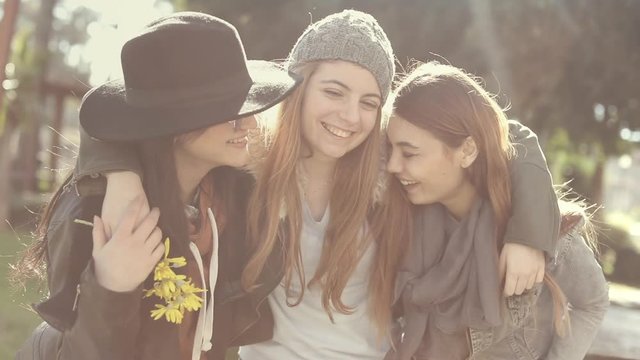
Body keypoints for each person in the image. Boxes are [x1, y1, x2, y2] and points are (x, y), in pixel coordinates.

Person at [62, 10, 559, 359]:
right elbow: (124, 111)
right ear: (298, 86)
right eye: (334, 91)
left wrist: (528, 233)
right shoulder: (250, 159)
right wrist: (120, 177)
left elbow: (506, 135)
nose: (351, 116)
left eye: (370, 102)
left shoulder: (389, 170)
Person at [13, 12, 300, 360]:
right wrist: (111, 285)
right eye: (231, 111)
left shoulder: (230, 199)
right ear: (175, 124)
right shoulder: (96, 215)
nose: (250, 124)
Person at [384, 61, 609, 360]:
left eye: (409, 153)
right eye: (392, 151)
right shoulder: (405, 219)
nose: (393, 166)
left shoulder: (539, 230)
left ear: (467, 151)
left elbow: (592, 302)